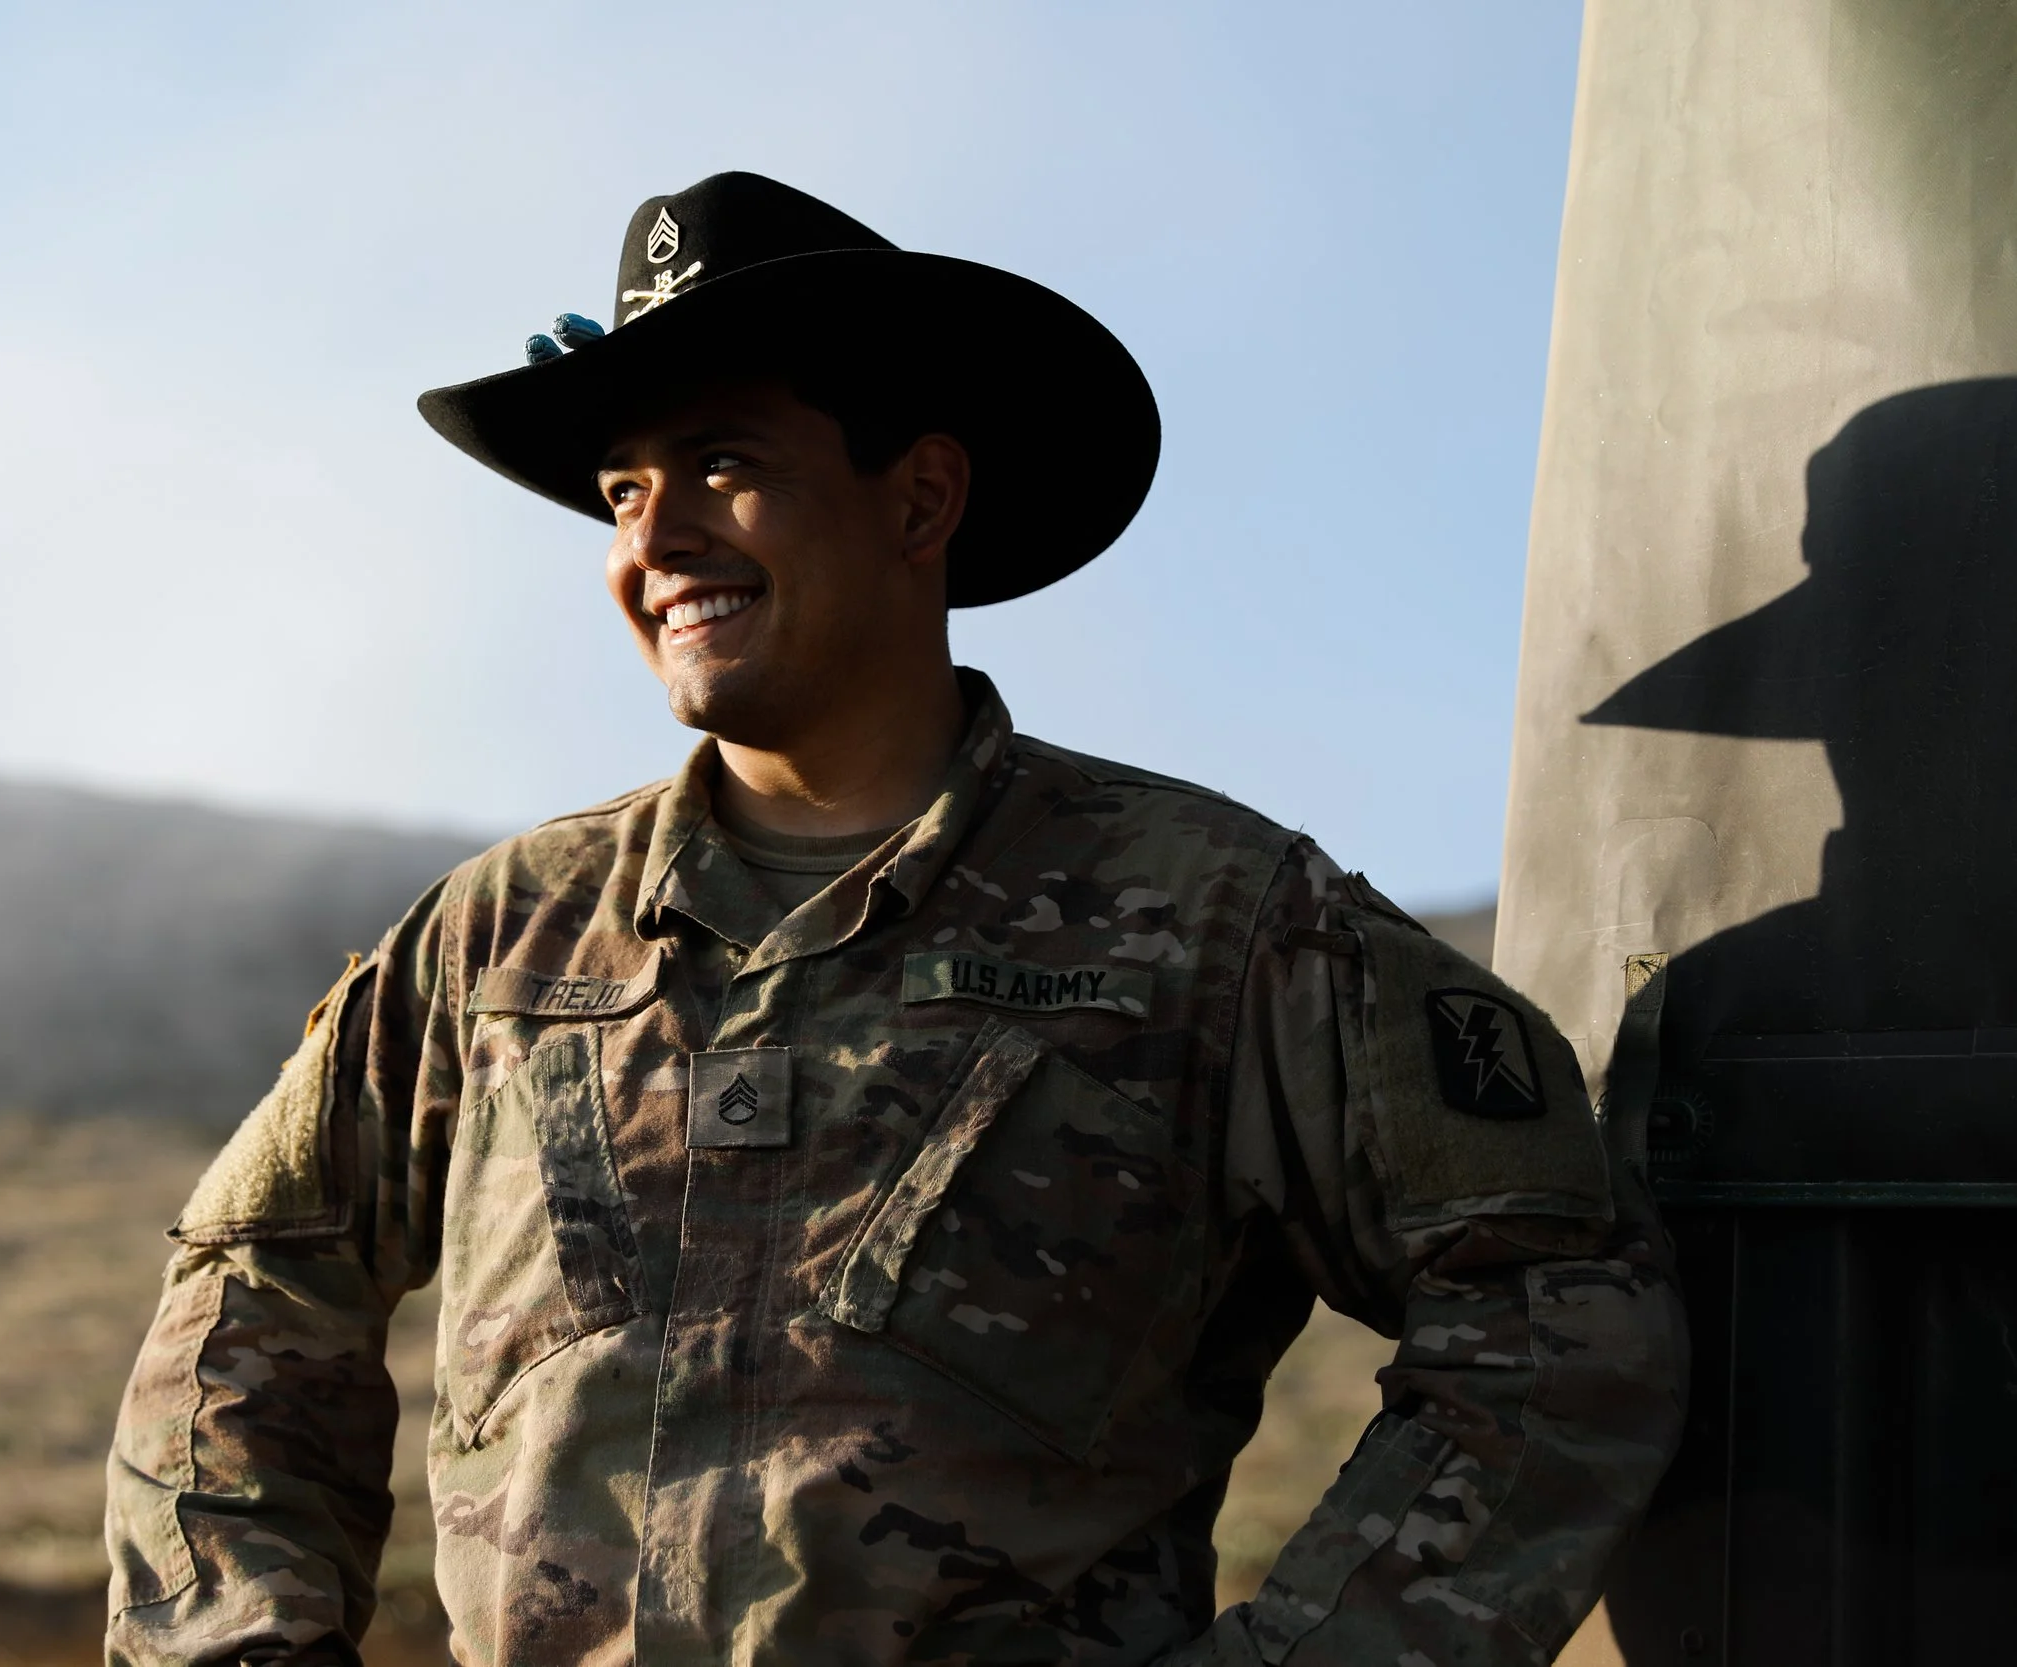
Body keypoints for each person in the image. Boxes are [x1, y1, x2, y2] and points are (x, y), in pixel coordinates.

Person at [103, 171, 1687, 1667]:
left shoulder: (1215, 920)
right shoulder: (499, 937)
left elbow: (1557, 1314)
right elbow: (251, 1290)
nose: (654, 545)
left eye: (726, 466)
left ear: (920, 497)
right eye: (623, 490)